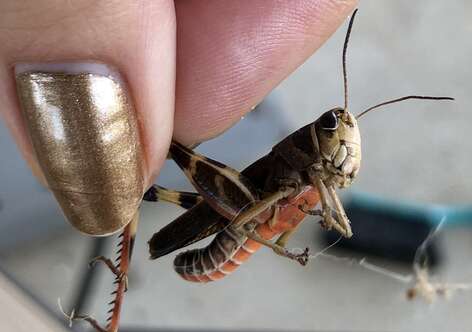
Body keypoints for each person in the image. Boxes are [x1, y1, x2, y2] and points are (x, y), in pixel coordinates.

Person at [0, 0, 357, 235]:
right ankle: (121, 280)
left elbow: (341, 225)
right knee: (142, 172)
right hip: (236, 210)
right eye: (332, 128)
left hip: (246, 217)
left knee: (140, 169)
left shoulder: (318, 176)